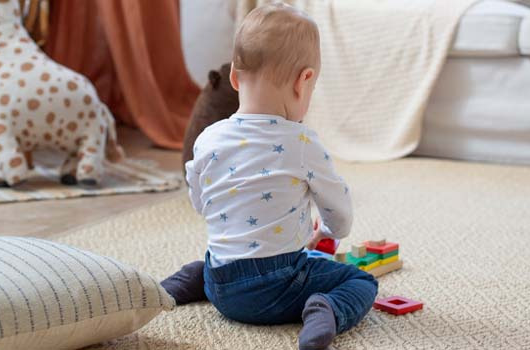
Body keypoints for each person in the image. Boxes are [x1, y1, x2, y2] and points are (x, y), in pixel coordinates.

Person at [161, 4, 377, 349]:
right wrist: (330, 230)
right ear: (304, 81)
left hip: (221, 286)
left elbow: (200, 203)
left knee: (219, 261)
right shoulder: (303, 142)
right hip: (276, 287)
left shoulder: (209, 138)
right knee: (360, 282)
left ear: (233, 77)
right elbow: (341, 213)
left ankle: (180, 285)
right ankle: (326, 310)